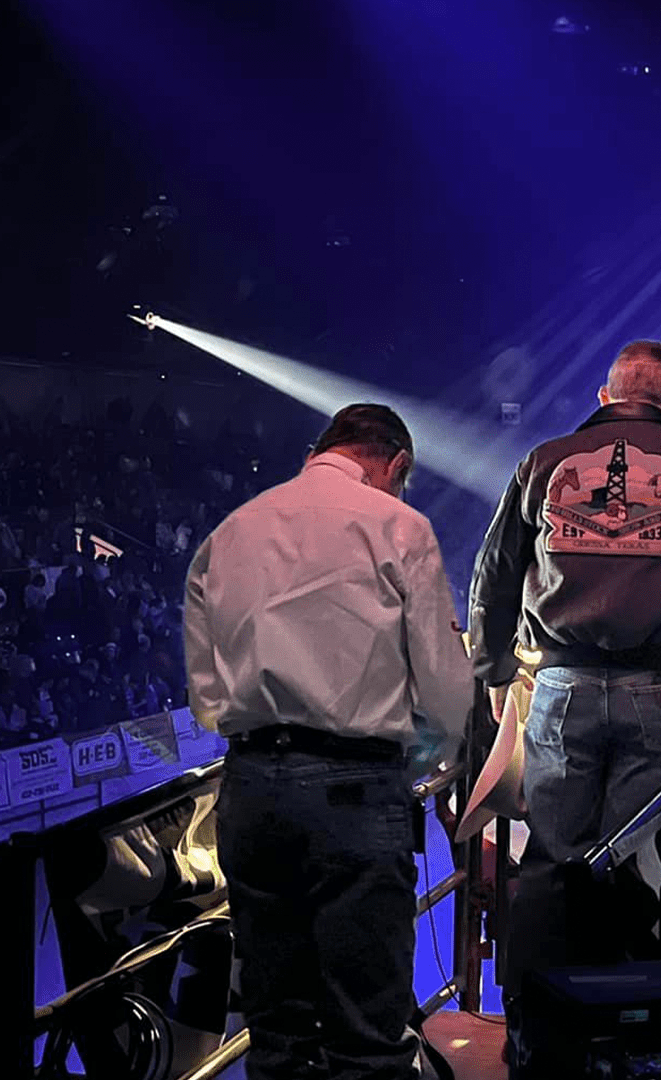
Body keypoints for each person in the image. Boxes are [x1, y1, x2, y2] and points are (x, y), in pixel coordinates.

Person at [467, 340, 661, 1077]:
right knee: (637, 865)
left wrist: (488, 670)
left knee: (550, 864)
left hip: (561, 686)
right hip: (659, 693)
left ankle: (536, 1040)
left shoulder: (544, 460)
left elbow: (494, 575)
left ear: (605, 396)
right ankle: (627, 1041)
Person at [185, 404, 474, 1080]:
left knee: (278, 1029)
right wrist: (436, 752)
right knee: (367, 1034)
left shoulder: (230, 533)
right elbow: (444, 684)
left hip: (251, 790)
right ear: (395, 464)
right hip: (352, 790)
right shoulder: (399, 527)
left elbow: (206, 696)